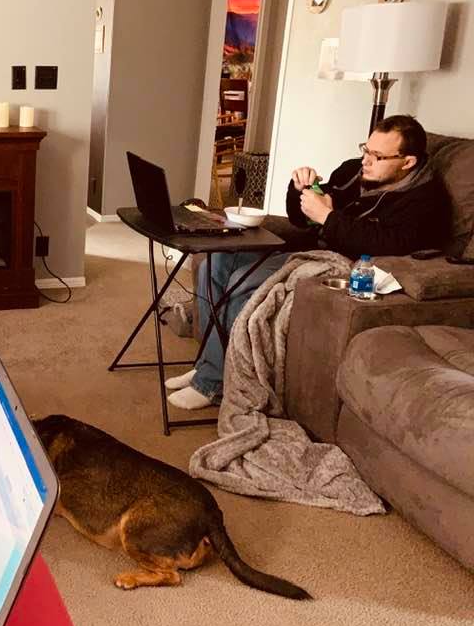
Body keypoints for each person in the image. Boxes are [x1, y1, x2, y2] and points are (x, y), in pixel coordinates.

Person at [167, 114, 451, 409]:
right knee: (215, 263)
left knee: (243, 281)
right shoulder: (355, 171)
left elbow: (388, 244)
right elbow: (300, 219)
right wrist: (301, 188)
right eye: (365, 149)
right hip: (307, 246)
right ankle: (209, 363)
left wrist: (328, 218)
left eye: (377, 156)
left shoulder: (425, 202)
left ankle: (212, 382)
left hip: (339, 263)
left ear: (408, 162)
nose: (366, 160)